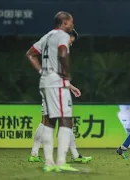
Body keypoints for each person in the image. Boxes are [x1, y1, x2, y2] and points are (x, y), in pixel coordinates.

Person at [28, 30, 92, 164]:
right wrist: (68, 84)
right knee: (65, 121)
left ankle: (35, 153)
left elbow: (33, 55)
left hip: (47, 85)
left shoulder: (47, 40)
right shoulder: (59, 48)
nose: (70, 44)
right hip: (55, 88)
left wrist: (69, 86)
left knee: (46, 120)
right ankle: (69, 157)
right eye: (71, 41)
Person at [26, 11, 78, 172]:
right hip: (57, 83)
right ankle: (61, 161)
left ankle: (49, 162)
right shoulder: (62, 35)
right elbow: (63, 52)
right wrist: (67, 73)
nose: (72, 25)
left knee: (48, 121)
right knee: (66, 120)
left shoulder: (47, 36)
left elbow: (30, 54)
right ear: (64, 23)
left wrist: (42, 72)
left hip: (45, 82)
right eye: (71, 22)